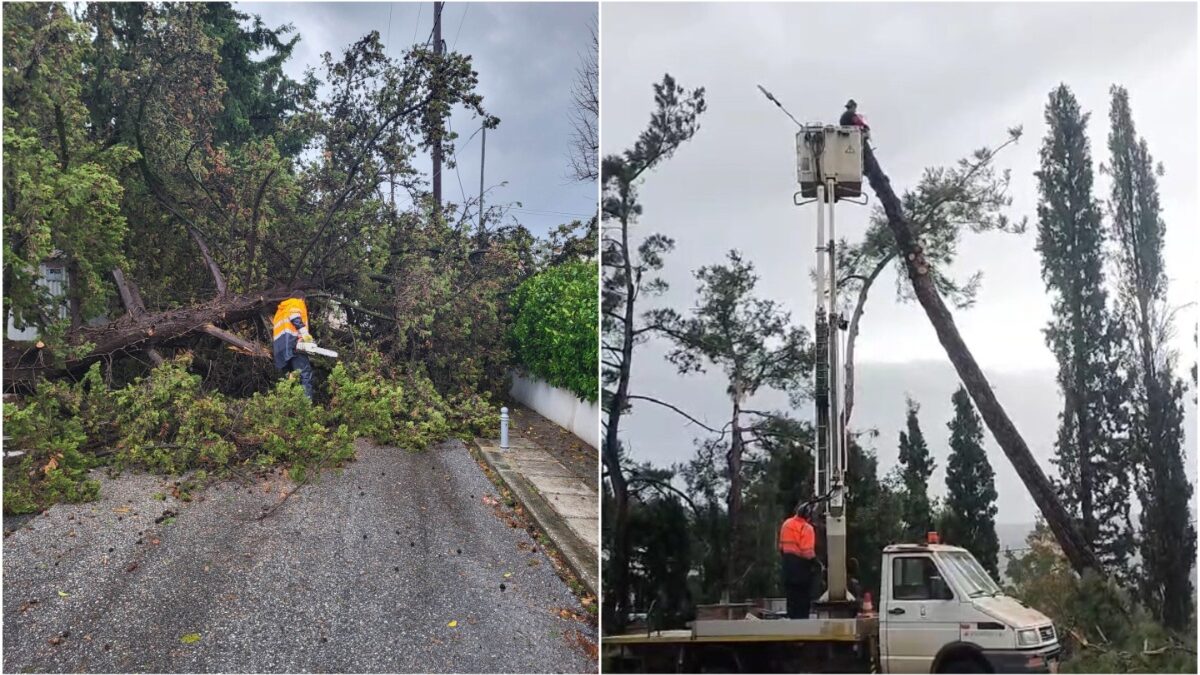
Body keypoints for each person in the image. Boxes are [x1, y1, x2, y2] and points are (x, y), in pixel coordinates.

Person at [272, 290, 314, 400]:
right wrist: (305, 334)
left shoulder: (281, 311)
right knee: (305, 374)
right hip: (294, 345)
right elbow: (295, 317)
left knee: (291, 376)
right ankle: (306, 404)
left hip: (280, 349)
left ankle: (286, 403)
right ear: (302, 299)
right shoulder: (296, 302)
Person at [779, 501, 817, 619]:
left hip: (787, 565)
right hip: (801, 568)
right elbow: (807, 553)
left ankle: (792, 621)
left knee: (791, 597)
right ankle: (801, 623)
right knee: (803, 599)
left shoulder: (787, 524)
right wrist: (816, 563)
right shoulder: (807, 528)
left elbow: (781, 547)